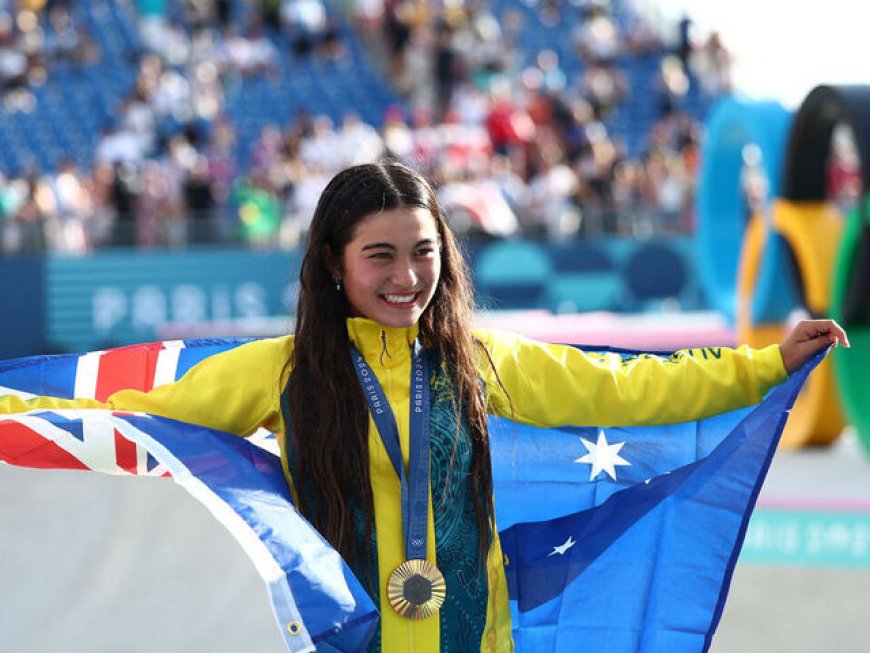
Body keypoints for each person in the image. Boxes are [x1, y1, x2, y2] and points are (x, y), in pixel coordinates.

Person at [0, 162, 849, 651]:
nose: (407, 277)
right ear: (333, 263)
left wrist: (762, 366)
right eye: (380, 256)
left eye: (423, 252)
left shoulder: (482, 361)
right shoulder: (280, 371)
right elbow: (132, 415)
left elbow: (629, 389)